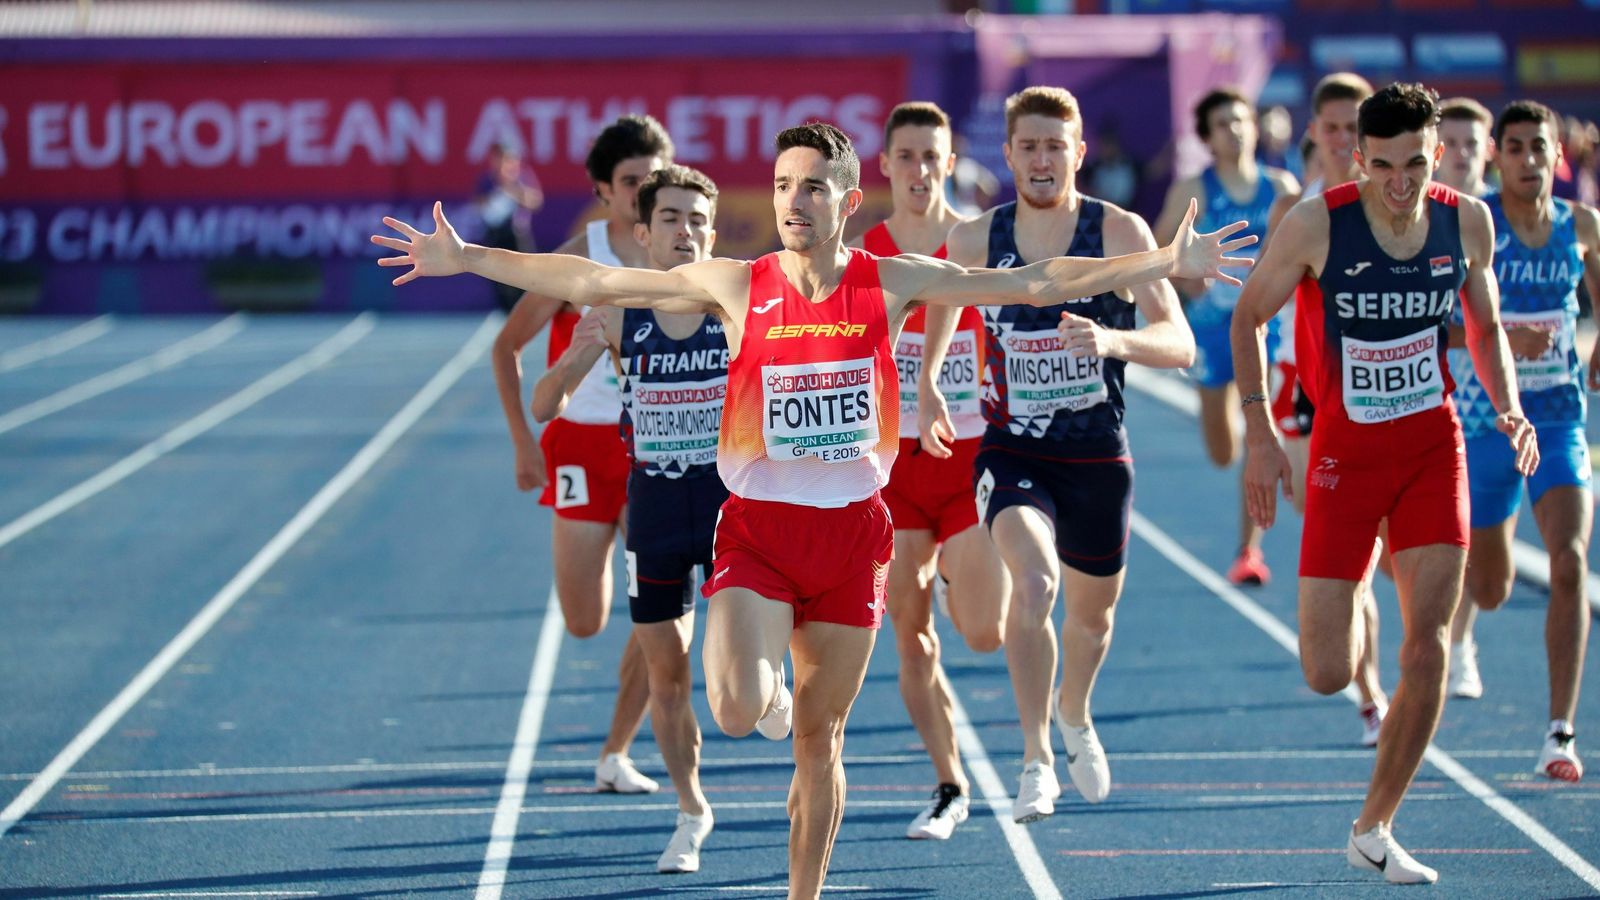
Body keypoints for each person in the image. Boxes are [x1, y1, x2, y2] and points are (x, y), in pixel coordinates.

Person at [374, 121, 1252, 899]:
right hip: (757, 530)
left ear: (847, 197)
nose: (794, 201)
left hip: (853, 537)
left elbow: (1035, 281)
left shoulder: (893, 278)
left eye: (813, 187)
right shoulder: (738, 283)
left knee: (821, 749)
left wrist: (1161, 265)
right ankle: (769, 697)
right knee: (735, 708)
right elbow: (595, 280)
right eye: (784, 185)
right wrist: (472, 259)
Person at [1232, 83, 1538, 884]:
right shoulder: (1316, 223)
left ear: (1436, 156)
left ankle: (1376, 824)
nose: (1399, 184)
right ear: (1358, 159)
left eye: (1415, 165)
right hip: (1343, 460)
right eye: (1383, 167)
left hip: (1434, 450)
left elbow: (1484, 325)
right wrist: (1261, 433)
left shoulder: (1466, 220)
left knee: (1427, 647)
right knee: (1326, 670)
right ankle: (1356, 590)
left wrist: (1506, 407)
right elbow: (1246, 318)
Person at [929, 86, 1197, 823]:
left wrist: (1111, 340)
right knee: (1036, 584)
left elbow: (1179, 344)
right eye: (1029, 146)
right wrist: (923, 389)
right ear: (1008, 155)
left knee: (1093, 622)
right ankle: (1035, 759)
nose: (1042, 159)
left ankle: (1073, 712)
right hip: (1012, 450)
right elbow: (939, 318)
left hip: (1098, 457)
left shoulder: (1118, 231)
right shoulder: (977, 239)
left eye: (1056, 146)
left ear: (1079, 153)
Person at [531, 164, 727, 871]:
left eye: (699, 220)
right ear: (642, 234)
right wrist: (574, 359)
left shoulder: (736, 305)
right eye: (672, 219)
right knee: (667, 675)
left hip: (732, 508)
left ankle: (765, 689)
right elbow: (544, 404)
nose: (687, 232)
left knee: (739, 669)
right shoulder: (615, 312)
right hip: (654, 514)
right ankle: (691, 810)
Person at [489, 114, 674, 797]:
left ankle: (615, 752)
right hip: (578, 445)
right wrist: (522, 442)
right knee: (585, 619)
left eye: (655, 179)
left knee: (661, 610)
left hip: (656, 449)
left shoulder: (681, 256)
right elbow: (505, 346)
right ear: (604, 190)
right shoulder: (579, 260)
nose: (644, 192)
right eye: (631, 182)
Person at [849, 101, 1008, 840]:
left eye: (931, 156)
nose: (918, 169)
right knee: (910, 636)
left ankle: (961, 571)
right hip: (894, 469)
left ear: (952, 163)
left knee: (981, 632)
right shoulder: (862, 257)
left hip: (970, 456)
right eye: (905, 156)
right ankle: (950, 782)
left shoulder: (980, 243)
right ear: (884, 165)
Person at [1444, 100, 1599, 781]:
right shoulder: (1476, 227)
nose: (1529, 159)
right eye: (1515, 148)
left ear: (1556, 156)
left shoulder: (1581, 225)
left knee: (1568, 564)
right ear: (1496, 158)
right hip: (1488, 422)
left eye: (1540, 147)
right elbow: (1438, 325)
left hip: (1559, 417)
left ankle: (1559, 732)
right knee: (1492, 584)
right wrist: (1501, 337)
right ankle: (1466, 629)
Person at [1264, 73, 1391, 747]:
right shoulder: (1298, 204)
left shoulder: (1394, 202)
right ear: (1316, 133)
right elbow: (1261, 305)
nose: (1344, 140)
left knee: (1373, 554)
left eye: (1355, 128)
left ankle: (1371, 680)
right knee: (1346, 547)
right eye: (1334, 128)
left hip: (1381, 392)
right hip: (1306, 390)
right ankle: (1370, 693)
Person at [1154, 86, 1299, 587]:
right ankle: (1238, 433)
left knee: (1260, 433)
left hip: (1265, 328)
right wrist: (1186, 279)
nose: (1235, 130)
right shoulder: (1194, 190)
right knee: (1222, 451)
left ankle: (1248, 552)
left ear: (1255, 127)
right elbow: (1156, 250)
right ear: (1209, 139)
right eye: (1223, 124)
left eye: (1241, 120)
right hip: (1213, 333)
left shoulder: (1281, 186)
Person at [1431, 97, 1495, 699]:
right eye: (1451, 144)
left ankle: (1461, 635)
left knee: (1487, 556)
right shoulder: (1420, 213)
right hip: (1430, 396)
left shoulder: (1494, 216)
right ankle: (1438, 639)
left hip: (1495, 401)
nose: (1462, 155)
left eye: (1474, 144)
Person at [475, 143, 545, 311]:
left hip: (517, 235)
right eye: (498, 159)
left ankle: (524, 310)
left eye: (506, 159)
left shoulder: (521, 178)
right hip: (495, 235)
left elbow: (535, 201)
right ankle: (507, 312)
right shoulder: (487, 179)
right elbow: (478, 204)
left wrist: (514, 191)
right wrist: (496, 196)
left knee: (524, 275)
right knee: (497, 277)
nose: (501, 163)